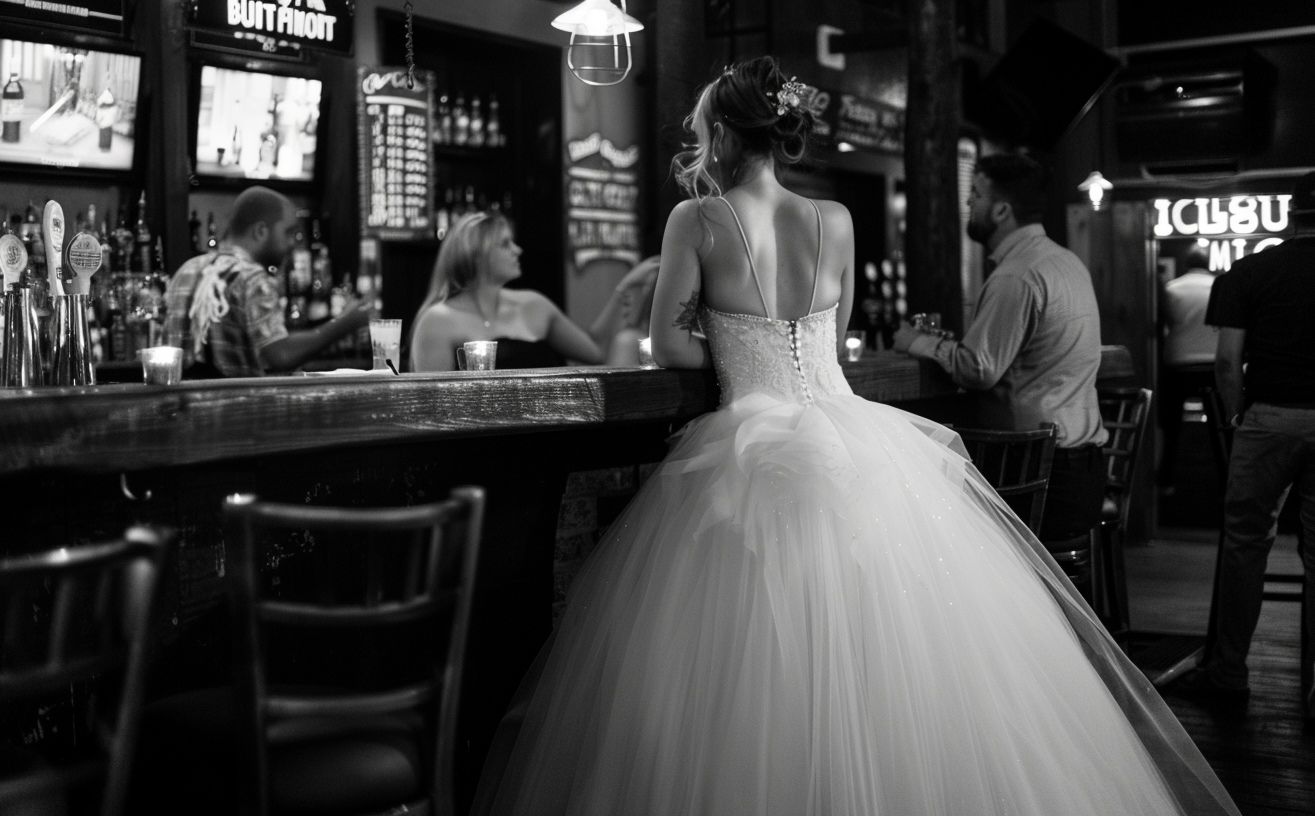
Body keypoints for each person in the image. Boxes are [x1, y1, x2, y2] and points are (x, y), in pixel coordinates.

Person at [473, 57, 1238, 816]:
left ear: (726, 138)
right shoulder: (833, 220)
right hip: (853, 437)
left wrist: (735, 343)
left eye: (703, 129)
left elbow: (670, 348)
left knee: (745, 664)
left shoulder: (696, 219)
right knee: (897, 648)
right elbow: (833, 340)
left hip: (747, 436)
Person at [893, 154, 1108, 542]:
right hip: (1082, 470)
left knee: (919, 522)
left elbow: (979, 368)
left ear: (1002, 210)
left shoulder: (1017, 274)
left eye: (975, 194)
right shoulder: (1066, 261)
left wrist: (916, 342)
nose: (968, 203)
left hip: (1040, 477)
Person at [1170, 172, 1315, 717]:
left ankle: (1229, 671)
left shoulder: (1248, 271)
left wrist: (1235, 419)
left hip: (1269, 419)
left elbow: (1228, 359)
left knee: (1245, 545)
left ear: (1290, 214)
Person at [164, 186, 373, 377]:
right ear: (261, 231)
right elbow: (281, 355)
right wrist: (347, 322)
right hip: (233, 412)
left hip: (179, 411)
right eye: (289, 232)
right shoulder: (252, 277)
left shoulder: (186, 270)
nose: (293, 243)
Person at [409, 212, 605, 370]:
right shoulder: (437, 321)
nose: (517, 250)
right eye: (505, 244)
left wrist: (625, 288)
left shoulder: (534, 304)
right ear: (475, 255)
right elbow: (432, 406)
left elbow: (597, 354)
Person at [1157, 243, 1219, 492]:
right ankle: (1222, 479)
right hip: (1211, 363)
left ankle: (1166, 478)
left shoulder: (1172, 288)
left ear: (1186, 263)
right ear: (1208, 263)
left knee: (1171, 425)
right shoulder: (1218, 287)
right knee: (1217, 425)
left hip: (1178, 361)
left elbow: (1165, 323)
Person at [587, 255, 660, 367]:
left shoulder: (630, 340)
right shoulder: (628, 340)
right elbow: (595, 339)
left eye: (647, 286)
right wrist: (623, 287)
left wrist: (623, 286)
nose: (629, 299)